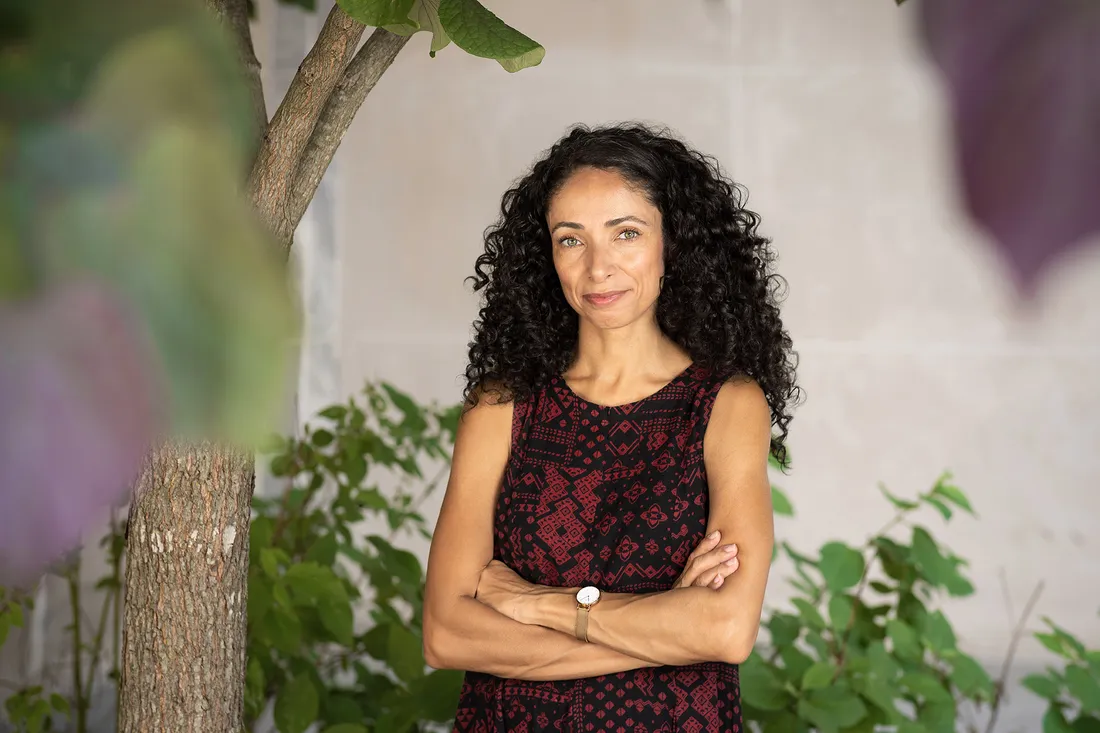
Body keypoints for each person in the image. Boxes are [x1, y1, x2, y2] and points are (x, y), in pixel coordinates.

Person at [423, 123, 800, 731]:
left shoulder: (727, 404)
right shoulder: (501, 407)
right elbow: (446, 634)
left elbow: (725, 630)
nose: (598, 267)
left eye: (626, 233)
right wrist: (662, 624)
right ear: (546, 255)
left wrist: (530, 603)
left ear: (671, 244)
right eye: (571, 240)